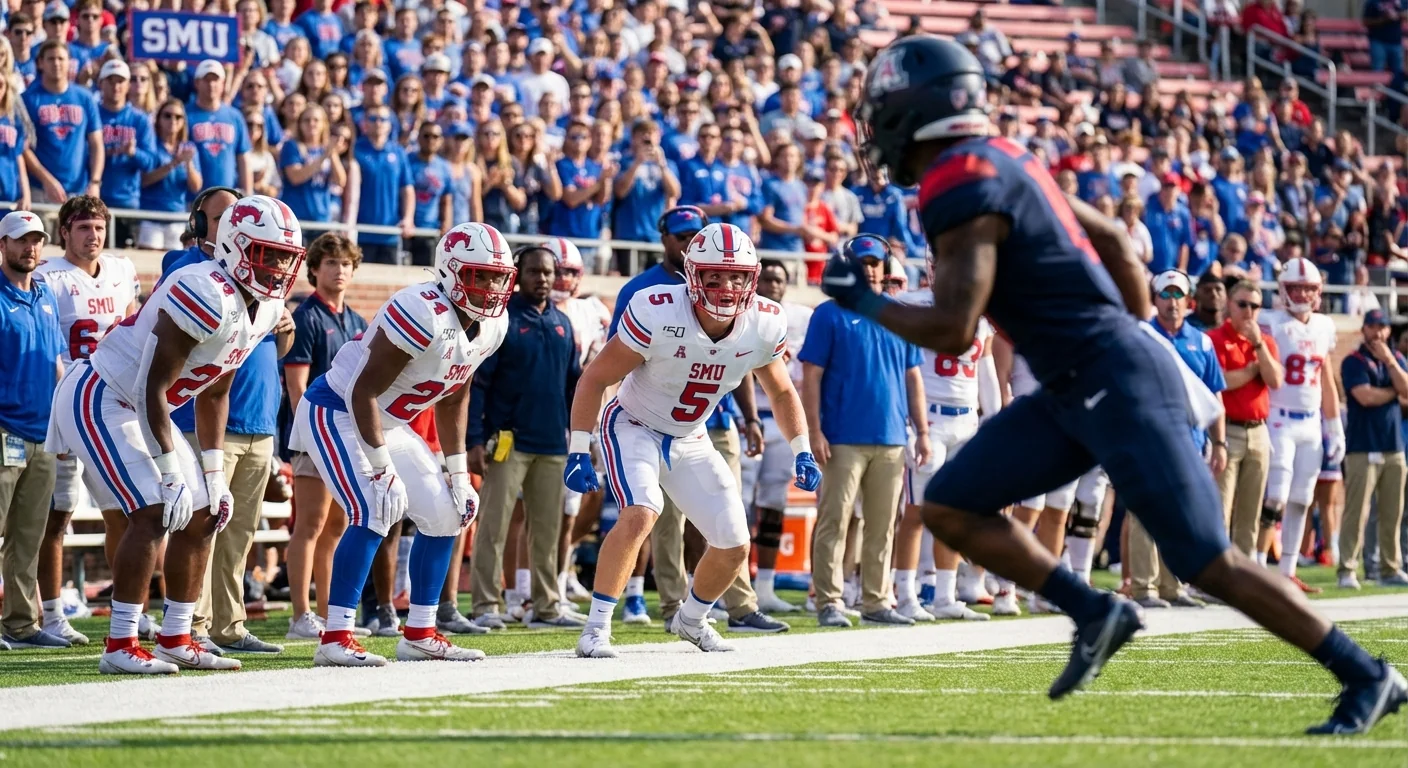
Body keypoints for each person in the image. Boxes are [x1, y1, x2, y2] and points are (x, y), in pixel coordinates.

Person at [830, 34, 1404, 733]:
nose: (876, 125)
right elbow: (1114, 239)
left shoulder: (957, 178)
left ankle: (1366, 674)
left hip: (1107, 380)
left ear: (913, 108)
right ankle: (1095, 609)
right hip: (1084, 382)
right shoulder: (1008, 157)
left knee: (1205, 559)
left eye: (883, 108)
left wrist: (860, 300)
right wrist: (1128, 329)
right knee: (950, 501)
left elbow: (954, 328)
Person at [48, 195, 302, 674]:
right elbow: (152, 385)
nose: (280, 267)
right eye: (270, 254)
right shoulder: (203, 288)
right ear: (236, 248)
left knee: (205, 513)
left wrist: (213, 474)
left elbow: (215, 391)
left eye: (287, 257)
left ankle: (177, 636)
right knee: (155, 509)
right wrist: (169, 471)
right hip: (103, 393)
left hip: (148, 403)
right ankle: (121, 643)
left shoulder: (262, 309)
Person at [565, 222, 822, 658]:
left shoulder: (764, 320)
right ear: (692, 275)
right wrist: (578, 447)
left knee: (734, 543)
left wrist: (802, 448)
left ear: (752, 278)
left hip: (692, 434)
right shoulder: (658, 309)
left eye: (737, 276)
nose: (726, 287)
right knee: (642, 513)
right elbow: (596, 378)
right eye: (714, 276)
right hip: (634, 424)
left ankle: (691, 619)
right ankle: (596, 628)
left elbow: (780, 390)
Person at [291, 222, 512, 667]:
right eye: (478, 275)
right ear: (450, 273)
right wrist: (379, 466)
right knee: (376, 505)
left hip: (387, 421)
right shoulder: (420, 308)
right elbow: (362, 392)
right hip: (336, 409)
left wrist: (455, 473)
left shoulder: (491, 325)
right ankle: (335, 637)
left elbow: (455, 396)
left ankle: (420, 633)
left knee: (447, 513)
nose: (490, 287)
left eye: (496, 277)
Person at [802, 235, 927, 629]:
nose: (870, 268)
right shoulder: (828, 314)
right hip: (841, 436)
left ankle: (876, 599)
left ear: (885, 266)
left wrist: (922, 430)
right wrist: (814, 430)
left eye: (876, 262)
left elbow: (913, 376)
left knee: (883, 525)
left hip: (891, 435)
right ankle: (830, 601)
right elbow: (811, 376)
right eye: (863, 261)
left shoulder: (899, 312)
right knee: (834, 521)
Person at [32, 197, 138, 647]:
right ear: (65, 233)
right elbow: (48, 345)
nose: (92, 235)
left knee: (126, 513)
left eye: (98, 227)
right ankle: (52, 613)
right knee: (56, 516)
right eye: (83, 228)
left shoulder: (121, 270)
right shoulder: (48, 276)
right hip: (65, 405)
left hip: (111, 405)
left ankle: (127, 608)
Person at [467, 246, 583, 629]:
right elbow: (478, 386)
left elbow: (574, 388)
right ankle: (486, 604)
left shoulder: (563, 323)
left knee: (548, 532)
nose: (544, 278)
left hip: (552, 442)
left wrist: (579, 439)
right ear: (517, 274)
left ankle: (547, 606)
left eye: (549, 272)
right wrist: (474, 439)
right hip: (508, 440)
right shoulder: (500, 321)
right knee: (493, 526)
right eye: (534, 271)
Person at [892, 250, 1000, 623]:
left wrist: (995, 423)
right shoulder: (913, 305)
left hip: (966, 422)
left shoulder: (978, 315)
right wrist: (909, 423)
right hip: (929, 422)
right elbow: (899, 368)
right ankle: (905, 594)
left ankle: (945, 595)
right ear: (931, 268)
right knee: (917, 512)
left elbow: (985, 374)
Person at [281, 233, 368, 640]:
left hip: (346, 434)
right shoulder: (307, 316)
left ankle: (330, 614)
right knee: (310, 524)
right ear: (314, 269)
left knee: (337, 525)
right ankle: (300, 615)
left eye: (346, 263)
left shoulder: (357, 321)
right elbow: (296, 386)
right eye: (331, 263)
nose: (339, 270)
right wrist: (313, 435)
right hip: (314, 434)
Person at [1127, 270, 1226, 609]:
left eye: (1177, 296)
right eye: (1165, 295)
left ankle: (1173, 584)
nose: (1172, 303)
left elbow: (1215, 396)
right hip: (1147, 439)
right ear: (1154, 300)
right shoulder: (1140, 335)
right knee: (1145, 512)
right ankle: (1144, 587)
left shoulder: (1202, 342)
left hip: (1191, 440)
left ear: (1189, 301)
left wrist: (1220, 443)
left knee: (1183, 515)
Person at [1254, 258, 1343, 593]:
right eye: (1297, 287)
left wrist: (1334, 425)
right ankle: (1260, 566)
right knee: (1275, 496)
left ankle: (1287, 569)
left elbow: (1327, 380)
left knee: (1302, 499)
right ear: (1283, 290)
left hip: (1310, 424)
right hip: (1279, 419)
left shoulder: (1323, 326)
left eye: (1309, 288)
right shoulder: (1271, 322)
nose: (1303, 294)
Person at [0, 211, 64, 651]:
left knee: (28, 536)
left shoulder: (45, 295)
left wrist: (62, 427)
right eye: (22, 240)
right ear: (2, 244)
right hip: (4, 430)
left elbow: (58, 362)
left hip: (42, 436)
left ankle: (20, 623)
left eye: (37, 240)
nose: (31, 248)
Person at [737, 259, 812, 614]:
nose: (772, 284)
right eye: (766, 278)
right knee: (735, 504)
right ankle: (731, 585)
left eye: (779, 279)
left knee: (772, 504)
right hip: (745, 419)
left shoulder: (801, 318)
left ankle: (764, 585)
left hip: (781, 418)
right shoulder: (739, 312)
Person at [544, 237, 610, 602]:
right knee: (543, 509)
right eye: (558, 270)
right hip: (550, 418)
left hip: (589, 418)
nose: (563, 278)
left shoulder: (592, 310)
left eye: (570, 271)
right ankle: (533, 582)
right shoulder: (532, 310)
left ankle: (563, 568)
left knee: (586, 501)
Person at [1207, 280, 1283, 558]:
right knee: (1221, 506)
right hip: (1227, 431)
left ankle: (1244, 572)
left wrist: (1259, 346)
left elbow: (1275, 380)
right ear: (1229, 304)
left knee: (1250, 511)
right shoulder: (1216, 338)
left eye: (1255, 306)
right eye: (1242, 304)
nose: (1249, 311)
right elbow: (1222, 382)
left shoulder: (1266, 342)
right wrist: (1253, 371)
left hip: (1259, 431)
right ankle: (1216, 570)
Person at [1337, 309, 1408, 589]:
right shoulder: (1353, 361)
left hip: (1393, 446)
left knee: (1393, 511)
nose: (1378, 332)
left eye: (1382, 327)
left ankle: (1390, 568)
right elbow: (1364, 397)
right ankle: (1347, 569)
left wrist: (1390, 361)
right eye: (1373, 327)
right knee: (1357, 511)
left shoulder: (1396, 359)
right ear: (1364, 329)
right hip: (1362, 446)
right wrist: (1393, 394)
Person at [23, 41, 103, 202]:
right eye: (51, 59)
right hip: (41, 189)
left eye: (61, 58)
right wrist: (46, 180)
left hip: (79, 189)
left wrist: (95, 182)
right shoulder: (28, 99)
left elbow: (96, 143)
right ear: (40, 63)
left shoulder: (84, 97)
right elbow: (23, 148)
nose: (57, 63)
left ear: (69, 62)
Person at [353, 103, 415, 265]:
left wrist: (408, 218)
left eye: (383, 119)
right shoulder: (356, 150)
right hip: (361, 232)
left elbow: (407, 189)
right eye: (373, 118)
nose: (378, 123)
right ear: (365, 123)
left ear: (390, 124)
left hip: (390, 234)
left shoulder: (398, 152)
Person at [186, 60, 252, 194]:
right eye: (206, 80)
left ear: (223, 84)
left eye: (215, 80)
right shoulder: (185, 115)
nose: (211, 85)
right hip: (193, 197)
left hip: (227, 196)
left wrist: (247, 192)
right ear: (197, 83)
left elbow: (243, 156)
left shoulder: (234, 116)